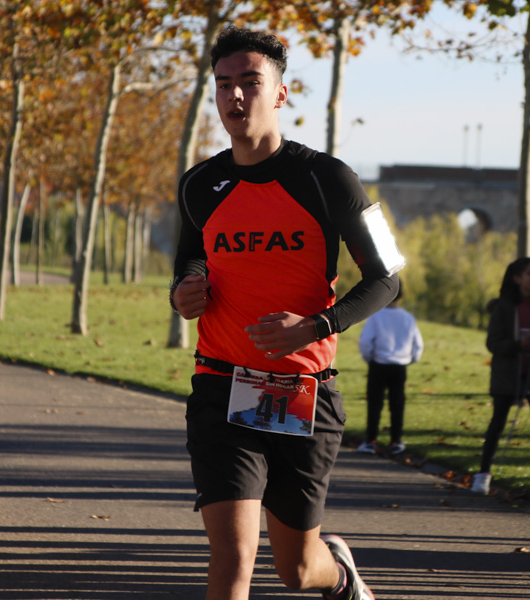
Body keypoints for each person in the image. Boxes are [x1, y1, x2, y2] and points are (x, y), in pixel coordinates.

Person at [170, 26, 399, 600]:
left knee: (296, 569)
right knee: (234, 556)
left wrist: (317, 325)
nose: (235, 97)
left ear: (280, 93)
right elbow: (188, 264)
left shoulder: (330, 180)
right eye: (224, 85)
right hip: (222, 384)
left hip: (302, 390)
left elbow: (388, 280)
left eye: (250, 82)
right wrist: (185, 291)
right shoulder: (199, 184)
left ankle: (339, 575)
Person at [471, 257, 530, 495]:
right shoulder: (503, 307)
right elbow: (493, 343)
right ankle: (483, 475)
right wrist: (520, 344)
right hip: (506, 374)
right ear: (517, 278)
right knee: (497, 423)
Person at [356, 284, 422, 456]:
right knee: (397, 404)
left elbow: (365, 342)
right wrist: (411, 359)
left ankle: (370, 440)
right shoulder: (408, 318)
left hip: (378, 364)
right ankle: (396, 440)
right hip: (400, 366)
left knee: (375, 404)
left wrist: (369, 358)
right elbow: (418, 345)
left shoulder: (376, 317)